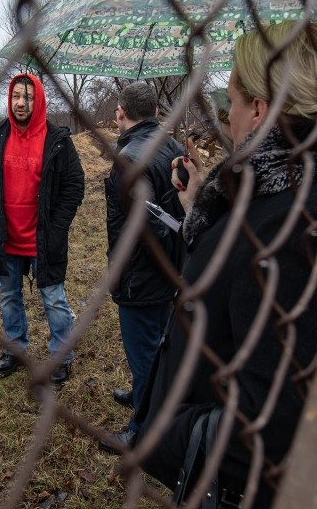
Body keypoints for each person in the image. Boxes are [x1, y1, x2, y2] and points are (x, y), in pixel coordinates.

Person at [135, 22, 317, 507]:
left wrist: (167, 435)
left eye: (230, 104)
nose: (226, 120)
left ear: (260, 110)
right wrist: (200, 204)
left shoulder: (293, 222)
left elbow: (275, 424)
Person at [0, 73, 84, 386]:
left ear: (39, 99)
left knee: (54, 299)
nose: (20, 102)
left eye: (27, 97)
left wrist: (57, 226)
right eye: (16, 96)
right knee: (8, 297)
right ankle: (16, 349)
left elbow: (75, 185)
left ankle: (61, 358)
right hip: (5, 237)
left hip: (44, 239)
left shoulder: (57, 140)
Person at [99, 82, 185, 453]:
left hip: (141, 274)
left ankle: (143, 428)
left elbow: (145, 229)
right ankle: (141, 393)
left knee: (145, 349)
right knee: (160, 341)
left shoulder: (130, 159)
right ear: (154, 110)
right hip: (171, 267)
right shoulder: (173, 145)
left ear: (121, 112)